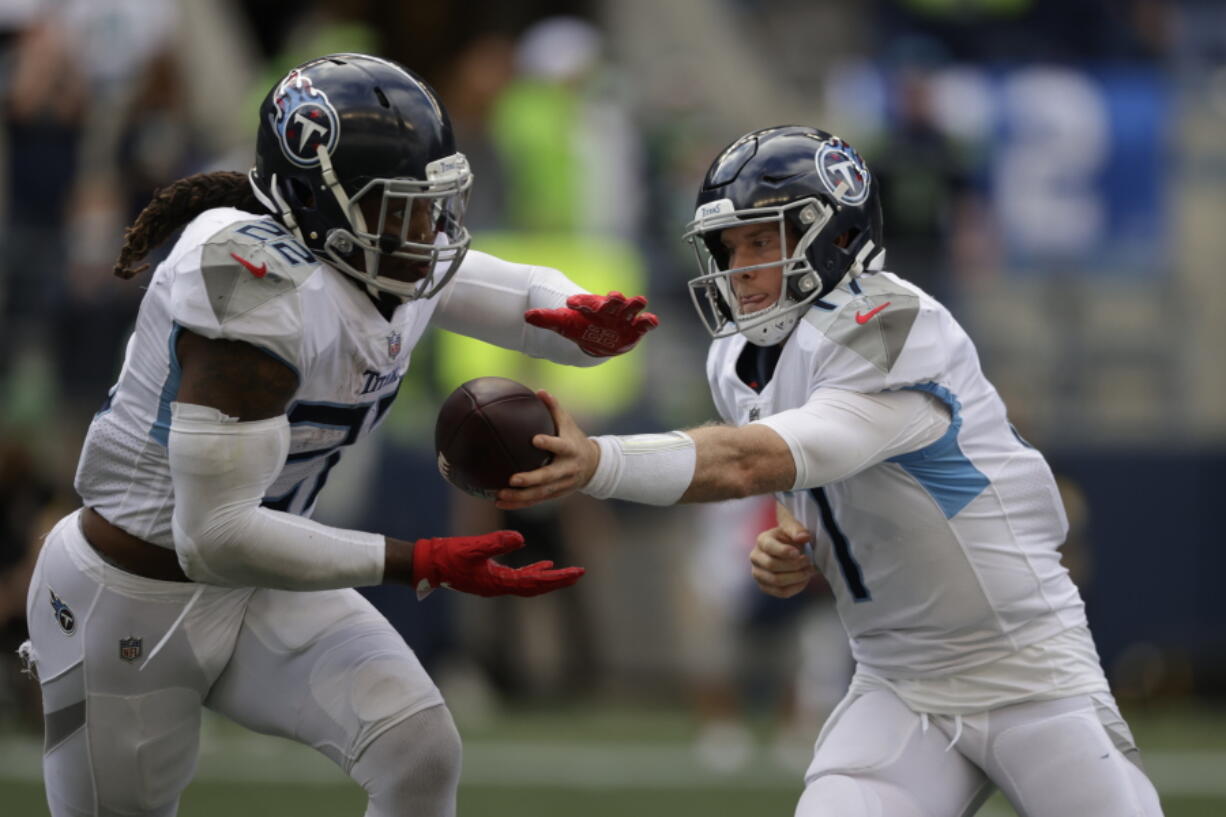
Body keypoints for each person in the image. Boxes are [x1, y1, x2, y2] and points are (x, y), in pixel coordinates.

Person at [20, 53, 657, 817]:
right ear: (314, 207)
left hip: (259, 583)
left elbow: (507, 290)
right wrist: (415, 560)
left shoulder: (381, 256)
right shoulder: (249, 280)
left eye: (432, 203)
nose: (428, 228)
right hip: (132, 595)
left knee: (417, 747)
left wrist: (581, 316)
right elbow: (212, 535)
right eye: (403, 208)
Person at [498, 125, 1164, 817]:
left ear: (837, 236)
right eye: (731, 247)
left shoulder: (893, 324)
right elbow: (808, 473)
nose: (740, 267)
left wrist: (598, 462)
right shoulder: (736, 357)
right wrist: (792, 533)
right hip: (898, 682)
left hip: (1024, 664)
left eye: (763, 240)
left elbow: (755, 458)